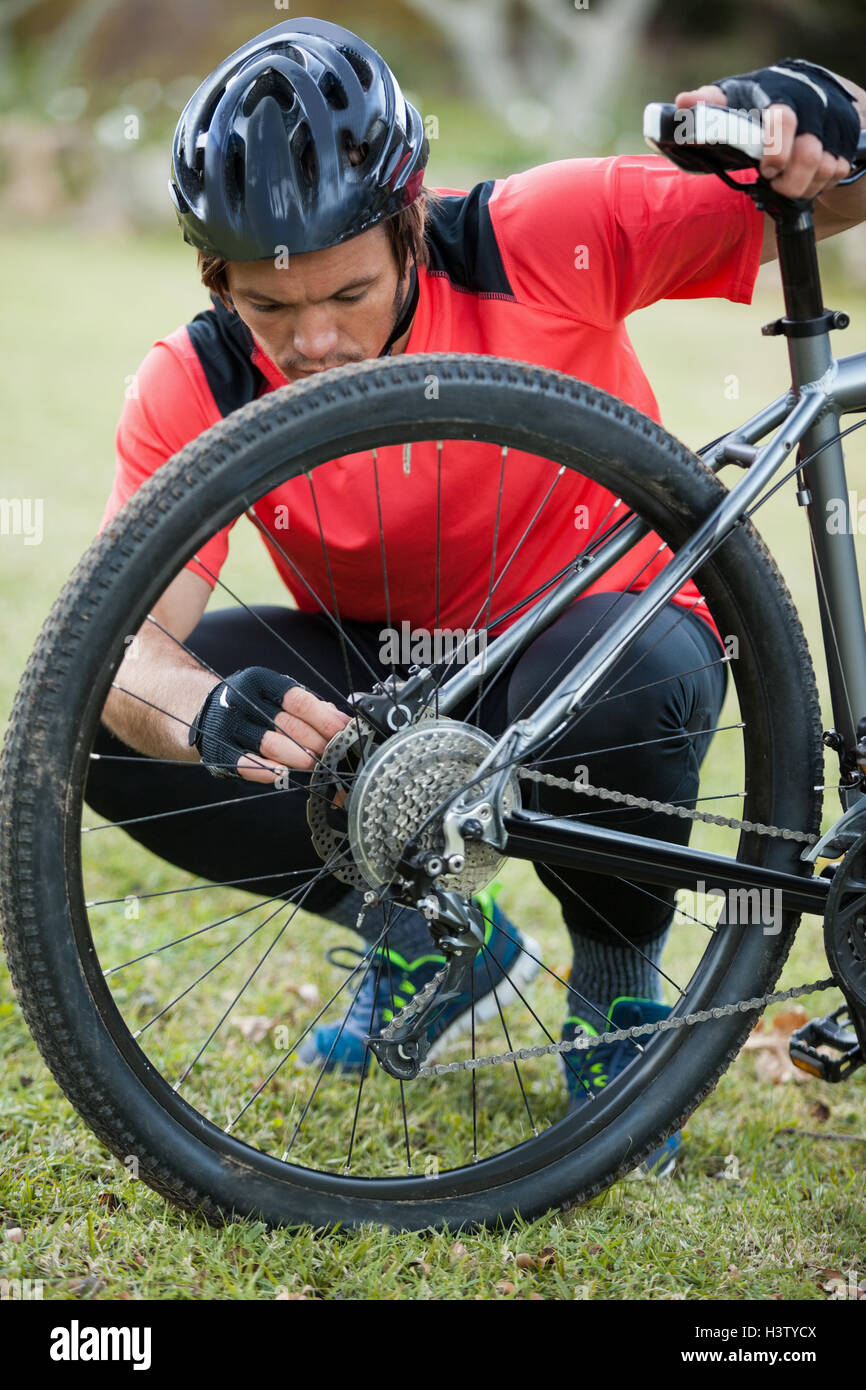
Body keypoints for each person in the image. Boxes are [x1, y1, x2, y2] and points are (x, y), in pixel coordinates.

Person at [84, 17, 865, 1173]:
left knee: (636, 676)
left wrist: (813, 108)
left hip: (599, 636)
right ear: (215, 279)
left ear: (407, 225)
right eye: (268, 307)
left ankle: (610, 999)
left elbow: (828, 195)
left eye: (348, 292)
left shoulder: (537, 236)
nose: (314, 342)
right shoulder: (192, 381)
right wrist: (198, 712)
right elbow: (117, 652)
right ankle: (417, 935)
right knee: (105, 742)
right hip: (393, 676)